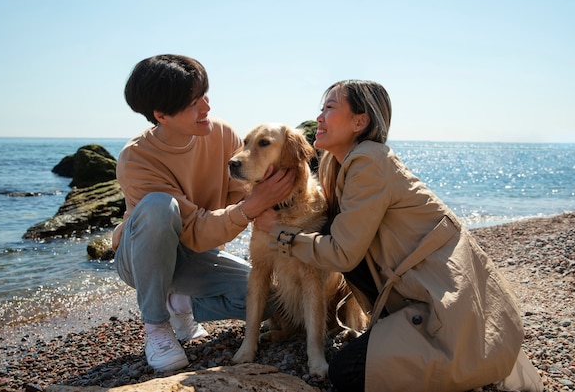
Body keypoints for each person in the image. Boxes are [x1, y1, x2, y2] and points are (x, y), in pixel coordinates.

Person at [255, 80, 537, 391]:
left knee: (347, 373)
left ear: (360, 122)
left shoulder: (369, 162)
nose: (319, 117)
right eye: (321, 109)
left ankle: (453, 364)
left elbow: (342, 254)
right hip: (419, 295)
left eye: (330, 108)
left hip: (443, 305)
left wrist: (279, 232)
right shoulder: (337, 165)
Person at [113, 54, 295, 372]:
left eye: (205, 95)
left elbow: (243, 196)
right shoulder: (136, 159)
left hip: (197, 256)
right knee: (159, 206)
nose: (206, 107)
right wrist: (253, 207)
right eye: (194, 102)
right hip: (141, 259)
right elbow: (199, 226)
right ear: (161, 115)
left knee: (267, 300)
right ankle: (156, 327)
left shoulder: (222, 135)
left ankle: (179, 303)